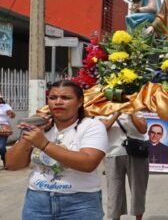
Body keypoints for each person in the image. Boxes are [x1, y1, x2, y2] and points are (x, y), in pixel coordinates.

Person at [5, 80, 108, 220]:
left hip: (80, 204)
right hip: (37, 203)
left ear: (80, 102)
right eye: (53, 98)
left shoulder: (92, 126)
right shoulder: (39, 128)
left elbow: (88, 163)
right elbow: (11, 164)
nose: (58, 102)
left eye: (66, 98)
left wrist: (44, 144)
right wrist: (28, 134)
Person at [100, 111, 149, 220]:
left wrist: (131, 113)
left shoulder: (136, 112)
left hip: (136, 154)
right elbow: (102, 130)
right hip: (112, 154)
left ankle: (139, 218)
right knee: (114, 191)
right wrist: (116, 114)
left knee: (138, 189)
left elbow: (143, 129)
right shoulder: (104, 112)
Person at [0, 95, 15, 168]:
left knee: (1, 147)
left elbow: (12, 116)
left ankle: (5, 160)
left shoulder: (6, 106)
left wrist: (11, 113)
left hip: (4, 128)